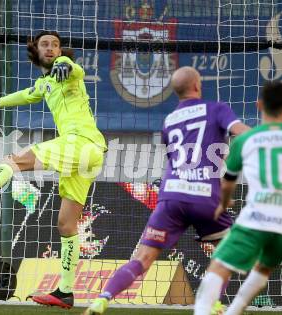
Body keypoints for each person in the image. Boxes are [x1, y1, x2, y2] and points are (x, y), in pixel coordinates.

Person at [0, 30, 107, 309]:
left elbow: (73, 68)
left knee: (13, 161)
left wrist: (66, 63)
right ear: (35, 50)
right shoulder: (44, 83)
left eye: (56, 45)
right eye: (45, 45)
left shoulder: (70, 72)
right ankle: (65, 292)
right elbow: (25, 95)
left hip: (81, 143)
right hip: (89, 156)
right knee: (66, 224)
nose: (52, 48)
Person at [83, 66, 250, 315]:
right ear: (197, 85)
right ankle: (214, 304)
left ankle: (103, 298)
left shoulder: (169, 121)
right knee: (224, 255)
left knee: (141, 260)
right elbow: (242, 134)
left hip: (171, 197)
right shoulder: (217, 108)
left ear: (176, 91)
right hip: (207, 197)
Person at [194, 81, 282, 315]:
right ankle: (234, 311)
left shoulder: (246, 140)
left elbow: (227, 184)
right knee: (264, 269)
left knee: (219, 266)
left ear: (259, 105)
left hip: (256, 218)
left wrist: (223, 205)